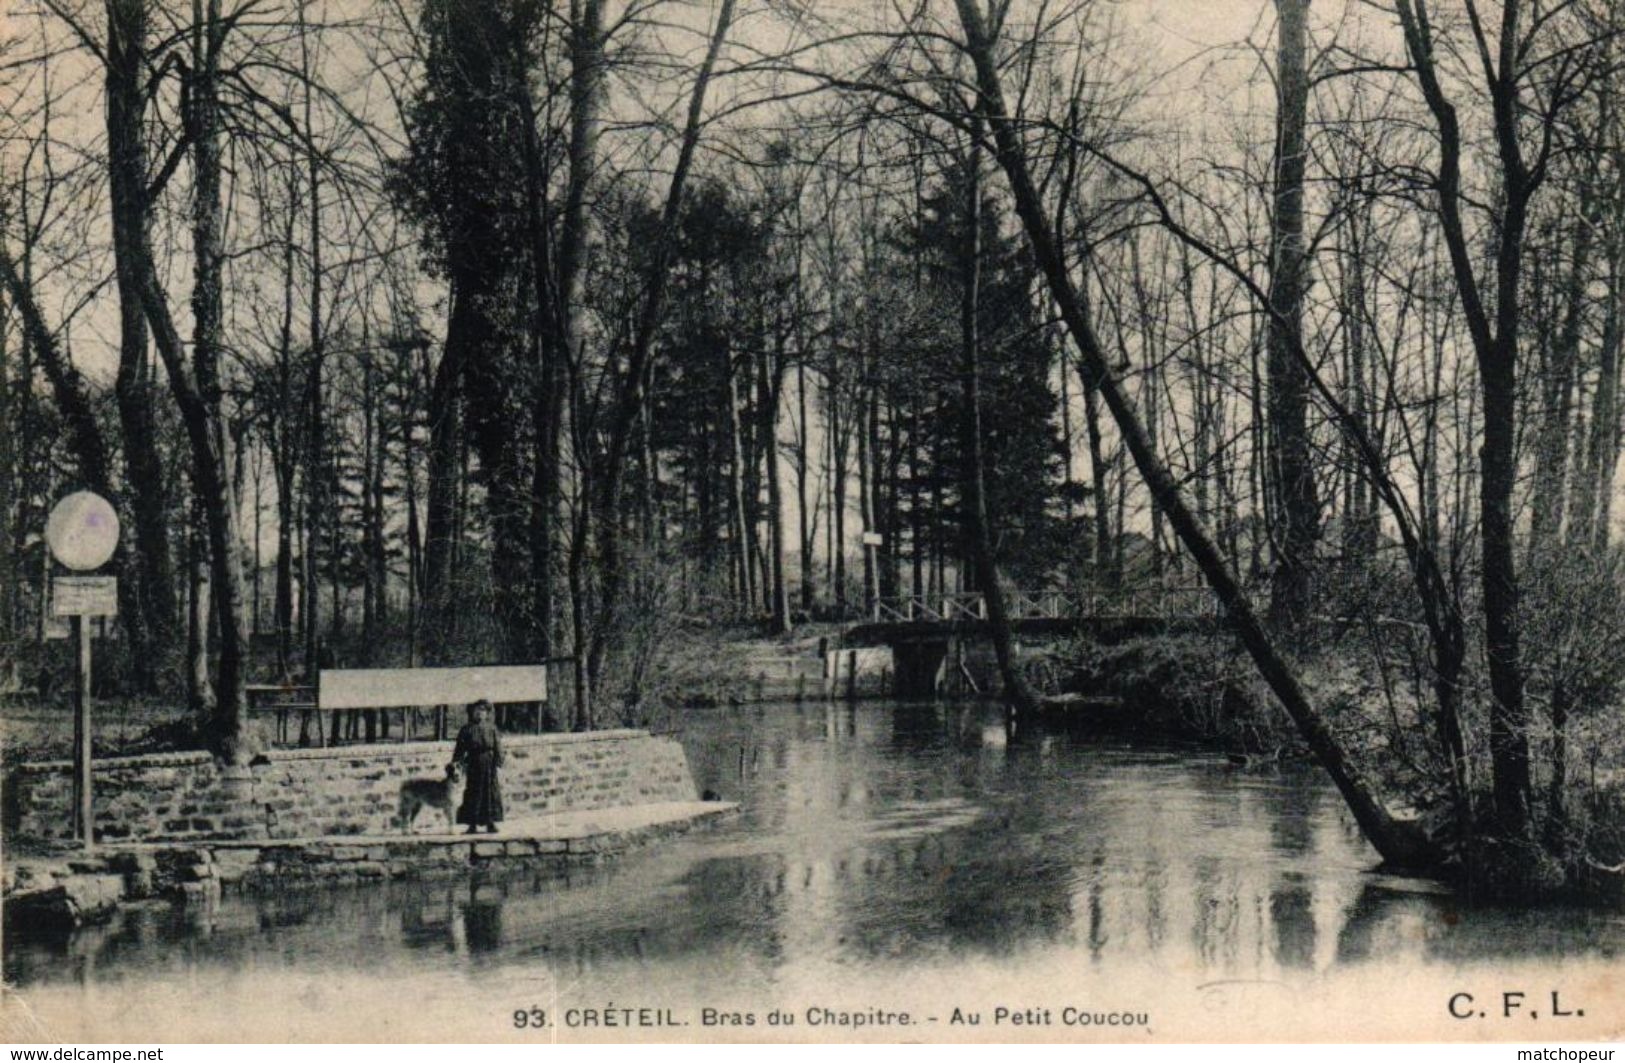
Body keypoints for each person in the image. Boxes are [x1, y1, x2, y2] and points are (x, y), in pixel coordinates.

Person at [452, 699, 504, 834]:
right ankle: (472, 825)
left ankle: (490, 823)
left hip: (489, 764)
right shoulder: (466, 729)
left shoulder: (492, 728)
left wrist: (499, 760)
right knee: (473, 793)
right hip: (473, 763)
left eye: (483, 711)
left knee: (490, 792)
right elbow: (459, 749)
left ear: (487, 714)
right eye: (477, 711)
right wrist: (456, 762)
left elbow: (498, 745)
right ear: (472, 713)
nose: (480, 714)